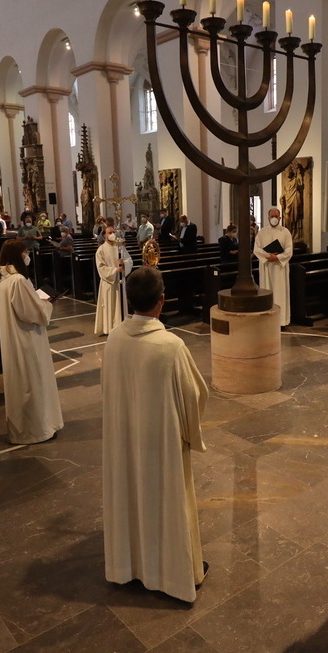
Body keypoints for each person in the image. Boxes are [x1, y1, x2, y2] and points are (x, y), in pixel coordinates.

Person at [102, 266, 209, 602]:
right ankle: (173, 575)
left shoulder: (114, 338)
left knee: (131, 497)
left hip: (124, 437)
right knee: (165, 501)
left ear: (129, 300)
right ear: (162, 300)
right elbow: (194, 395)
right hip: (160, 442)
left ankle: (129, 566)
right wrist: (191, 434)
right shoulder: (170, 346)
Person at [0, 239, 63, 443]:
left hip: (14, 338)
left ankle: (28, 428)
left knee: (23, 383)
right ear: (18, 255)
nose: (27, 256)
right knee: (32, 383)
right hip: (26, 339)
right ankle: (37, 430)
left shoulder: (3, 278)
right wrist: (46, 303)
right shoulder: (17, 281)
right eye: (25, 252)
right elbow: (31, 313)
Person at [253, 207, 294, 327]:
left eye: (276, 216)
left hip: (280, 268)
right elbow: (256, 249)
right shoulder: (262, 232)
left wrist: (278, 257)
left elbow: (289, 250)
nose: (274, 218)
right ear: (268, 218)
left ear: (280, 218)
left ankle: (282, 321)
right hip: (266, 267)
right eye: (272, 216)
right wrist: (268, 256)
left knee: (280, 293)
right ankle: (267, 321)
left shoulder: (285, 232)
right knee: (267, 291)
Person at [95, 225, 130, 335]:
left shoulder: (120, 247)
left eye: (113, 232)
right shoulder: (101, 250)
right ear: (104, 235)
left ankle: (121, 326)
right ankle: (109, 328)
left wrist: (124, 264)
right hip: (109, 283)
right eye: (110, 233)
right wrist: (115, 270)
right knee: (110, 305)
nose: (112, 234)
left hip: (120, 282)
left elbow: (129, 260)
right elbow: (101, 267)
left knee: (120, 305)